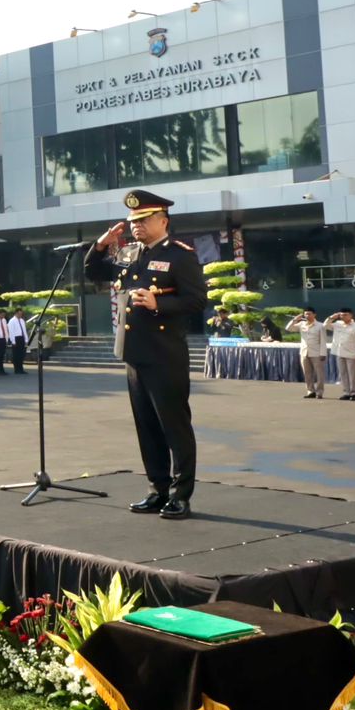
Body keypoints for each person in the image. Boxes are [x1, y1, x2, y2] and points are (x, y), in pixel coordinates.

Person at [83, 190, 207, 521]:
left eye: (144, 220)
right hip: (135, 354)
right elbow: (94, 272)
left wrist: (159, 304)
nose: (136, 225)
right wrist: (101, 243)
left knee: (174, 427)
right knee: (147, 427)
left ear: (163, 221)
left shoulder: (180, 255)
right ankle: (158, 489)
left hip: (166, 354)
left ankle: (181, 495)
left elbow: (196, 301)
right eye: (133, 221)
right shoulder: (129, 254)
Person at [285, 309, 328, 399]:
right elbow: (288, 328)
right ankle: (310, 391)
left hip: (316, 353)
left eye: (309, 314)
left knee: (319, 374)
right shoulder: (301, 324)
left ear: (314, 315)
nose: (307, 316)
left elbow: (323, 341)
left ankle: (319, 392)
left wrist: (323, 353)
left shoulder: (320, 325)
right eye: (305, 314)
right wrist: (295, 319)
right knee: (307, 373)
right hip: (304, 352)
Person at [327, 309, 355, 400]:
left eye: (346, 315)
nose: (343, 317)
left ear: (351, 315)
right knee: (343, 373)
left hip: (352, 353)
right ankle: (346, 392)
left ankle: (354, 393)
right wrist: (332, 317)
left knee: (353, 374)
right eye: (342, 315)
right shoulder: (337, 324)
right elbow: (325, 326)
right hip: (340, 352)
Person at [6, 308, 28, 375]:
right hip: (16, 338)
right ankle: (16, 369)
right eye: (19, 313)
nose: (20, 315)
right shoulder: (12, 321)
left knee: (21, 355)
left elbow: (24, 330)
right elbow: (11, 331)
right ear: (15, 313)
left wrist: (26, 339)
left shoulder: (22, 320)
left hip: (21, 338)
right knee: (16, 355)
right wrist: (13, 341)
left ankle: (21, 369)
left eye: (21, 314)